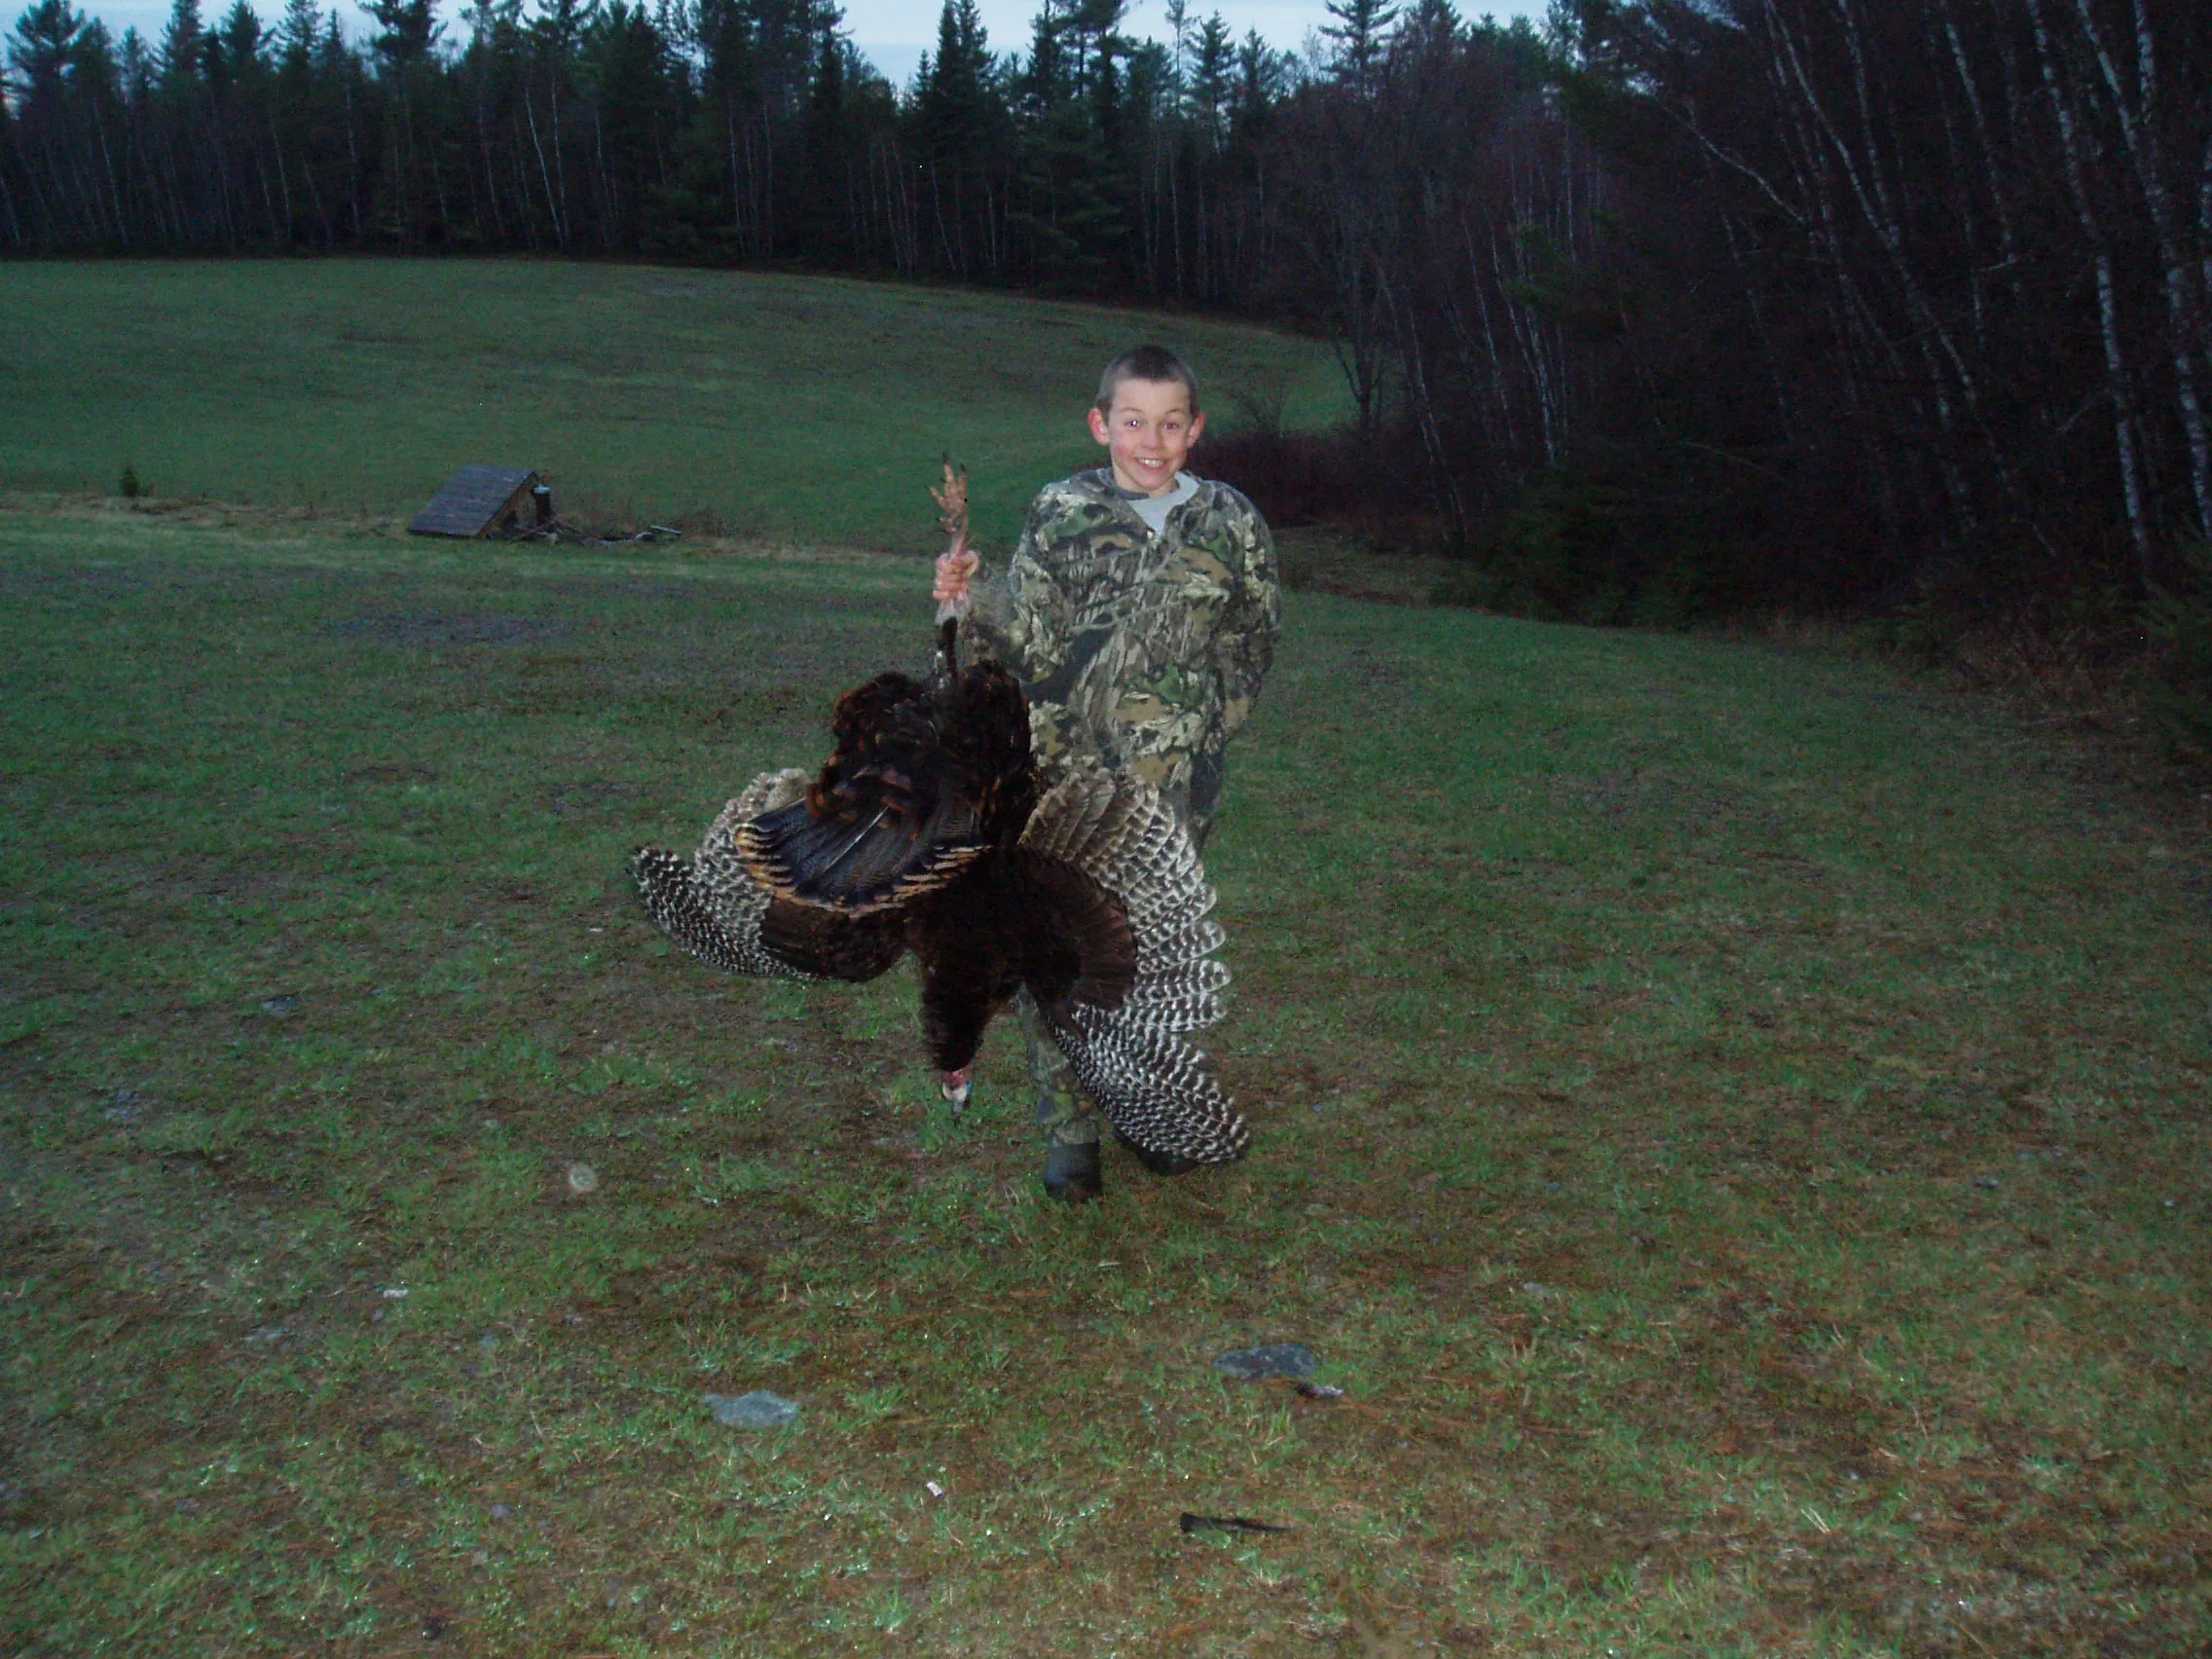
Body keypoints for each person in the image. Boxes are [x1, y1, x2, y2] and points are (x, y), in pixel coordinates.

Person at [932, 344, 1282, 1203]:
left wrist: (1204, 732)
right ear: (1101, 425)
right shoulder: (1061, 511)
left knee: (1152, 958)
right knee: (1059, 954)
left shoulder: (1232, 521)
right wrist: (970, 598)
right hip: (1067, 788)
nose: (1151, 442)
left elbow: (1252, 642)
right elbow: (1031, 648)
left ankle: (1144, 1110)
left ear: (1194, 430)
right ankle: (1070, 1131)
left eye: (1170, 423)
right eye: (1133, 422)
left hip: (1174, 792)